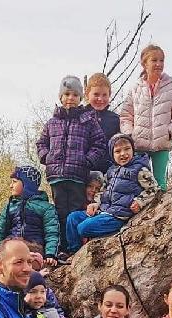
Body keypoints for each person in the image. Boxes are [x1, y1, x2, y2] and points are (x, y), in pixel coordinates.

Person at [38, 75, 107, 254]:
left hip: (78, 175)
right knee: (60, 212)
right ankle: (62, 248)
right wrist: (47, 157)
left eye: (75, 95)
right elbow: (41, 144)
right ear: (61, 97)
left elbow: (99, 144)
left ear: (80, 98)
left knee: (75, 212)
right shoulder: (52, 122)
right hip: (56, 176)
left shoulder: (87, 120)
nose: (70, 98)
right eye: (67, 94)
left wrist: (87, 160)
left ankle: (75, 248)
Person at [64, 133, 160, 253]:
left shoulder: (140, 170)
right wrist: (95, 204)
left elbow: (154, 189)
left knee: (83, 228)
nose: (123, 154)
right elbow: (103, 191)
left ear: (133, 150)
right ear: (112, 154)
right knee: (72, 218)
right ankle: (73, 252)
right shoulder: (111, 171)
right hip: (103, 211)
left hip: (118, 216)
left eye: (127, 149)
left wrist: (140, 201)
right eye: (118, 151)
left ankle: (115, 232)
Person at [119, 44, 172, 189]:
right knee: (138, 183)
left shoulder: (171, 87)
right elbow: (126, 115)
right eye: (154, 60)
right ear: (144, 64)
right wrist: (130, 134)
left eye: (161, 60)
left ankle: (163, 211)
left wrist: (171, 131)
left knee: (159, 183)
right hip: (139, 146)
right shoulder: (135, 89)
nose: (159, 64)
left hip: (161, 144)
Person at [0, 166, 59, 263]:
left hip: (34, 247)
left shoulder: (46, 208)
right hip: (11, 246)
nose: (11, 186)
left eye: (14, 182)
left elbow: (52, 233)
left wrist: (50, 254)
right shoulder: (9, 207)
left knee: (29, 260)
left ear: (27, 185)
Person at [85, 72, 121, 174]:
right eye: (96, 94)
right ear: (87, 94)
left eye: (104, 95)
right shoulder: (80, 117)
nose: (100, 99)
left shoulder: (115, 120)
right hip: (84, 171)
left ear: (110, 95)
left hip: (108, 171)